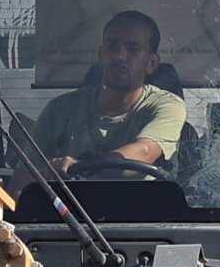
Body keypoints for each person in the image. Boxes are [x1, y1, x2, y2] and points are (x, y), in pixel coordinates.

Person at [30, 10, 190, 174]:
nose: (119, 56)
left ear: (151, 63)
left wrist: (78, 166)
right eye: (112, 46)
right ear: (101, 55)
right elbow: (21, 184)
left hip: (144, 199)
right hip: (67, 200)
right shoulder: (59, 111)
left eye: (133, 49)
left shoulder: (168, 107)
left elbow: (144, 152)